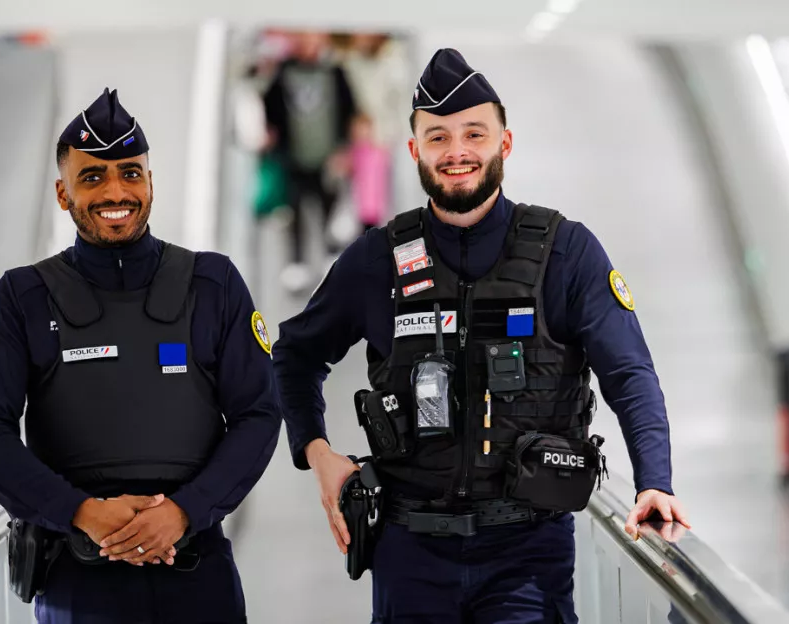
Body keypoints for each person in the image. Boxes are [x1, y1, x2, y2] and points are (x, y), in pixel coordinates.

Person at [271, 49, 691, 623]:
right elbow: (294, 353)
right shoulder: (377, 260)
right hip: (408, 551)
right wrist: (316, 453)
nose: (457, 152)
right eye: (438, 137)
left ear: (505, 144)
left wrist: (655, 479)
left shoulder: (565, 253)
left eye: (474, 133)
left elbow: (628, 372)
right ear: (415, 150)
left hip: (527, 555)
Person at [0, 88, 281, 623]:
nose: (116, 190)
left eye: (131, 173)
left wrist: (184, 512)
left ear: (151, 182)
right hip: (77, 582)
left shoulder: (214, 283)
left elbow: (258, 412)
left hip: (197, 575)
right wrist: (80, 512)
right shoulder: (22, 297)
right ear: (63, 194)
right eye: (93, 177)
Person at [261, 31, 357, 295]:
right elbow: (266, 106)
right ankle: (297, 263)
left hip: (327, 158)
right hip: (293, 158)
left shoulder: (335, 72)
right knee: (294, 211)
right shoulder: (282, 73)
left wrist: (343, 149)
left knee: (330, 206)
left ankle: (331, 258)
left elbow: (349, 109)